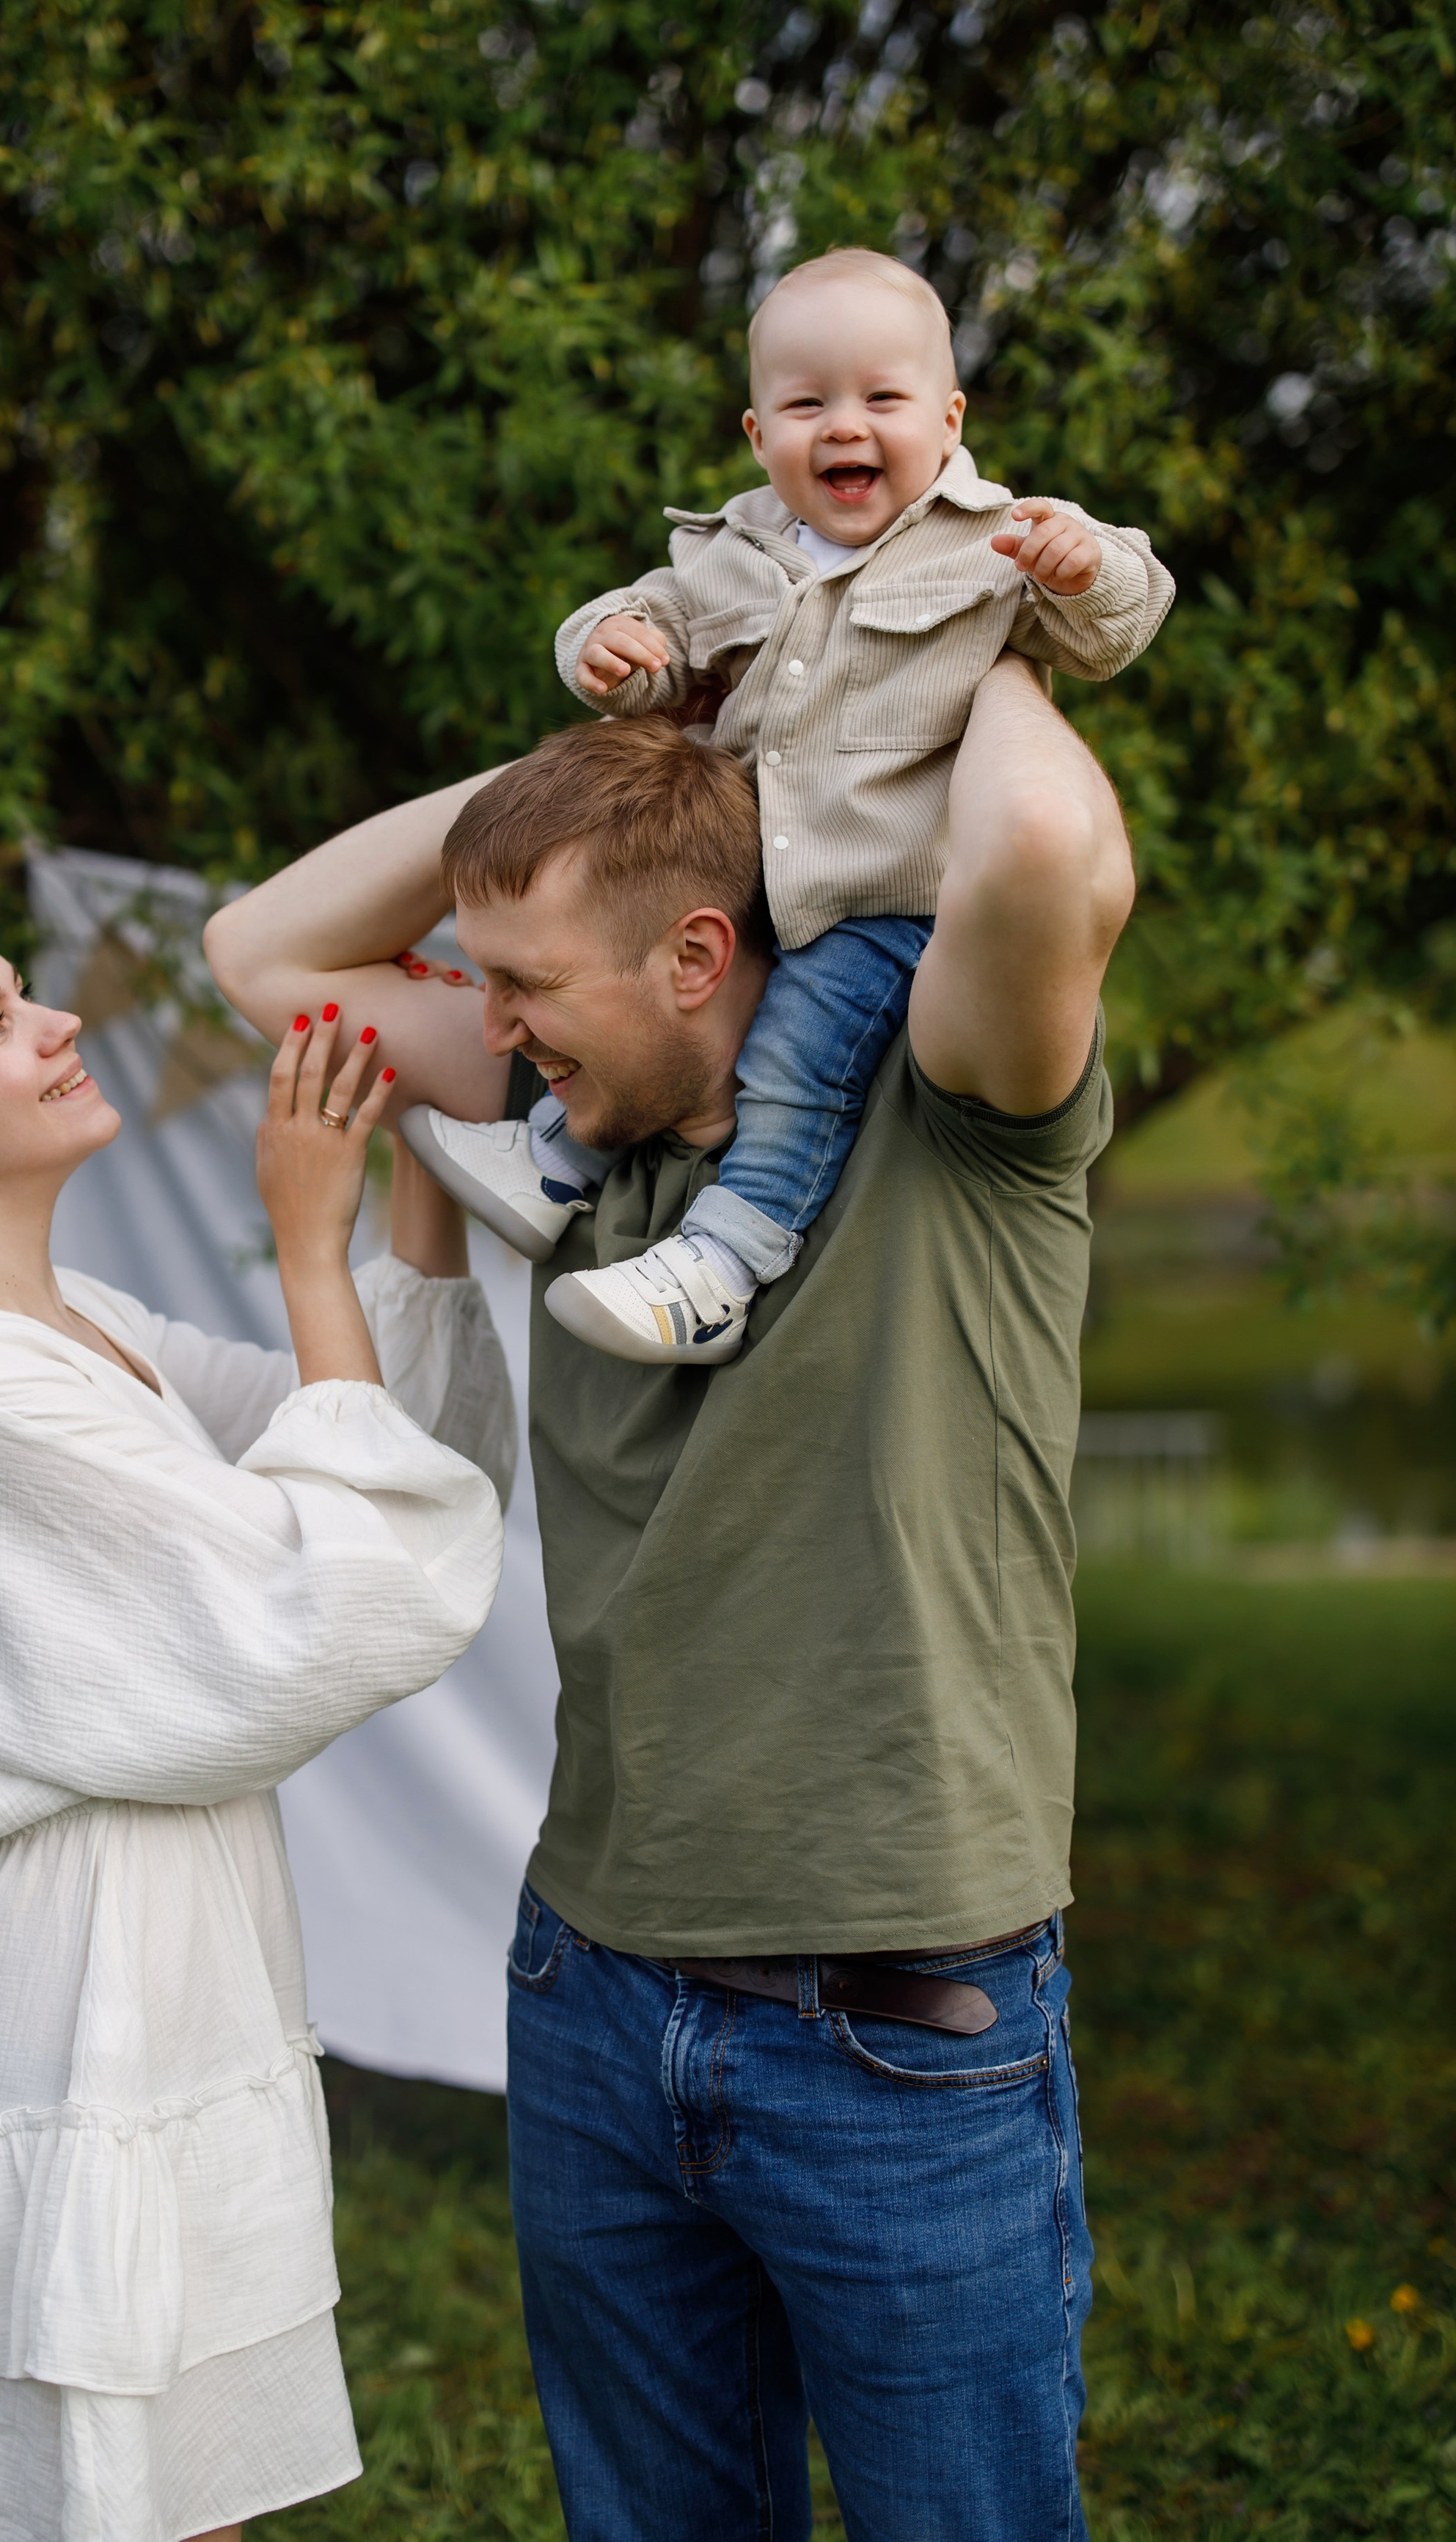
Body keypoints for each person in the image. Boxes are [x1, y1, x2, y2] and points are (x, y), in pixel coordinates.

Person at [203, 651, 1133, 2541]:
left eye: (524, 985)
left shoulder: (946, 1110)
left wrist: (954, 646)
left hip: (897, 2033)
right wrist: (630, 769)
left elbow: (1041, 841)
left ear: (696, 961)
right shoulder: (582, 1137)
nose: (489, 1021)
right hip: (596, 1999)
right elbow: (258, 953)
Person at [0, 907, 513, 2542]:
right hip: (95, 2000)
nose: (60, 1024)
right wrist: (310, 1247)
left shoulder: (68, 1322)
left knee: (182, 2505)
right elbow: (317, 1596)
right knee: (108, 2509)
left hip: (182, 1973)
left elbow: (385, 1442)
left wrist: (422, 1162)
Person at [401, 248, 1171, 1365]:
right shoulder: (731, 552)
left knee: (795, 1060)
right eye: (807, 403)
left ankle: (728, 1257)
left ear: (950, 421)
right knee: (640, 987)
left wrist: (1082, 566)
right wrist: (608, 652)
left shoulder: (994, 545)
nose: (844, 426)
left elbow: (1117, 628)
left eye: (883, 399)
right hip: (747, 873)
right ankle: (556, 1158)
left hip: (880, 904)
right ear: (761, 436)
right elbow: (651, 633)